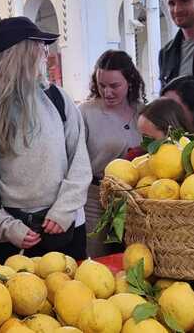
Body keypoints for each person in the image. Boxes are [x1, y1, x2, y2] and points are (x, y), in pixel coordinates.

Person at [0, 17, 92, 261]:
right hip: (12, 238)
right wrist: (6, 226)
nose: (45, 52)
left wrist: (63, 210)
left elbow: (80, 162)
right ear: (21, 53)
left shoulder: (58, 99)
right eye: (39, 45)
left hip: (65, 229)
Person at [78, 50, 144, 257]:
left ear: (130, 82)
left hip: (133, 200)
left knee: (132, 256)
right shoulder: (85, 113)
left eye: (114, 86)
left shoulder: (142, 113)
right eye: (102, 85)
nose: (107, 92)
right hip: (94, 198)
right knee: (97, 259)